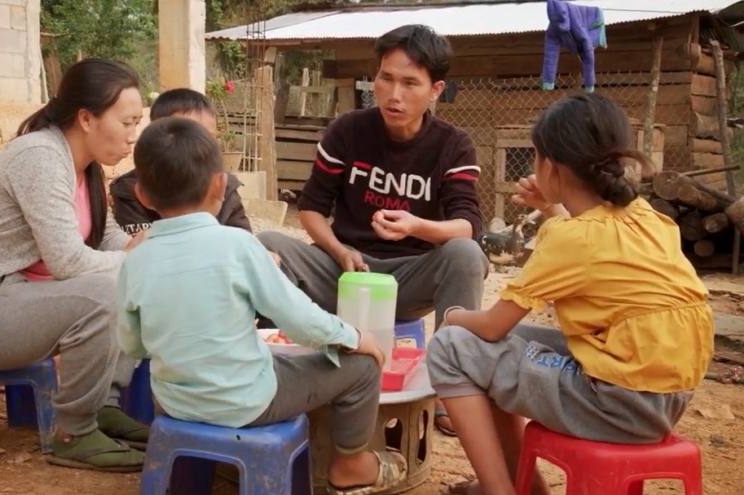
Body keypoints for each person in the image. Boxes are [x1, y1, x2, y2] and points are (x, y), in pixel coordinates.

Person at [426, 93, 714, 495]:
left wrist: (454, 314)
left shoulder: (571, 238)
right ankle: (521, 485)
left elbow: (491, 327)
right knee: (492, 350)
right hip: (664, 399)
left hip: (616, 405)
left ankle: (499, 490)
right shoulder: (646, 216)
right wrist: (549, 207)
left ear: (552, 167)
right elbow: (586, 246)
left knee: (452, 346)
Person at [116, 117, 409, 495]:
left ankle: (188, 477)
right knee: (363, 366)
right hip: (248, 403)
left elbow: (132, 345)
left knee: (269, 360)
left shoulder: (135, 260)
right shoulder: (238, 246)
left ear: (142, 195)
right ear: (220, 184)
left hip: (175, 404)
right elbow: (301, 321)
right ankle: (351, 464)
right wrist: (355, 337)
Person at [0, 58, 152, 472]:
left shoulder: (86, 168)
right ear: (86, 118)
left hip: (9, 298)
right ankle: (74, 432)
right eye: (128, 122)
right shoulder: (41, 158)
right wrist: (129, 261)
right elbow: (67, 260)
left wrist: (146, 246)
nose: (134, 136)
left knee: (132, 277)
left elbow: (105, 237)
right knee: (106, 290)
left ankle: (102, 407)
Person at [256, 24, 488, 437]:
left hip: (410, 278)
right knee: (268, 245)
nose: (394, 94)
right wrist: (340, 250)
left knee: (466, 255)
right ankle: (264, 373)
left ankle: (452, 390)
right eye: (385, 78)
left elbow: (466, 226)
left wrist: (418, 226)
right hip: (346, 271)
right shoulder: (348, 131)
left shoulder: (454, 145)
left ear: (436, 90)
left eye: (410, 83)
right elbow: (311, 210)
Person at [109, 88, 251, 235]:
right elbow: (138, 247)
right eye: (187, 138)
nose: (199, 147)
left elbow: (243, 235)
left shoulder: (223, 184)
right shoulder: (131, 190)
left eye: (208, 138)